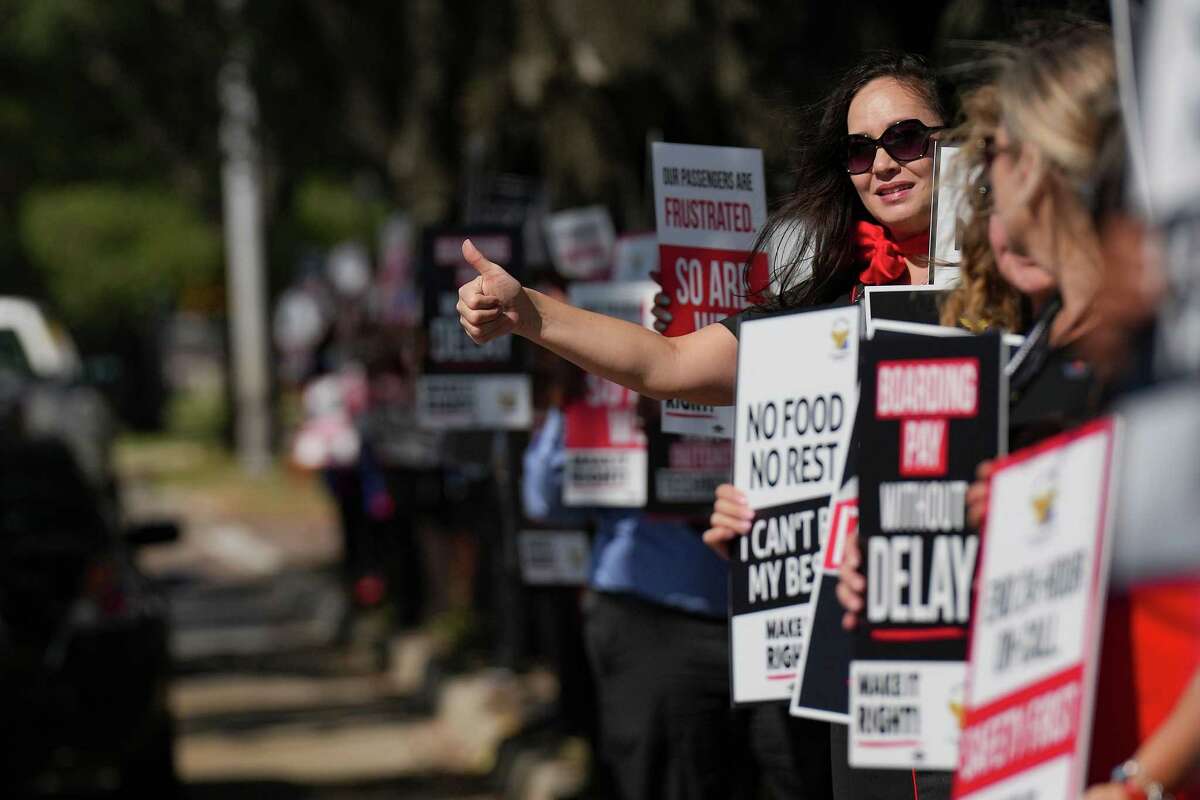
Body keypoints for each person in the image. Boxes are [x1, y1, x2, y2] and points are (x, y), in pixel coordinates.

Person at [455, 51, 947, 409]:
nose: (882, 164)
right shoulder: (830, 302)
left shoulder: (1016, 271)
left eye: (905, 138)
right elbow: (667, 363)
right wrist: (527, 309)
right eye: (860, 151)